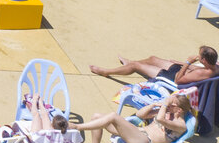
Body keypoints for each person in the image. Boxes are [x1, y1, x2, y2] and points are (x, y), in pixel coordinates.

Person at [74, 92, 192, 143]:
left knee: (113, 116)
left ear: (179, 110)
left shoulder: (180, 125)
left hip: (145, 142)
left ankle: (77, 127)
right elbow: (140, 115)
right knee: (96, 116)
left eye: (172, 105)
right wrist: (153, 106)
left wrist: (166, 103)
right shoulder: (166, 112)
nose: (169, 105)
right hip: (137, 133)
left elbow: (160, 120)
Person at [89, 45, 218, 86]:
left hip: (171, 78)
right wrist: (180, 63)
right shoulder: (214, 67)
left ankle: (106, 72)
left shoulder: (202, 73)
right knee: (153, 58)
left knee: (135, 66)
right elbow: (197, 68)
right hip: (180, 70)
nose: (197, 56)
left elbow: (178, 81)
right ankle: (128, 65)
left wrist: (188, 62)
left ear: (204, 60)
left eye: (199, 56)